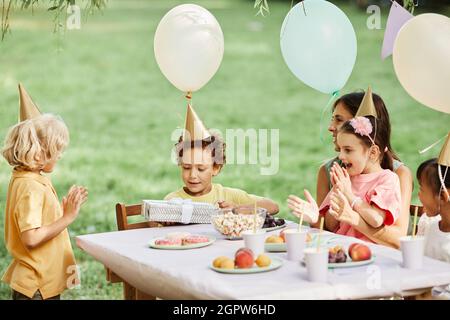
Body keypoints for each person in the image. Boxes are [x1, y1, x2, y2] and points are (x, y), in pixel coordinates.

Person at [288, 88, 411, 248]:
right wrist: (315, 218)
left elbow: (397, 239)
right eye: (332, 119)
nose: (331, 127)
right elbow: (326, 228)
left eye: (339, 120)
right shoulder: (331, 171)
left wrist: (353, 216)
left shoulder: (396, 175)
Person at [1, 84, 88, 300]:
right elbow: (30, 237)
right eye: (57, 151)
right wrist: (67, 217)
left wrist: (60, 210)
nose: (59, 156)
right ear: (39, 154)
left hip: (40, 280)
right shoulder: (30, 187)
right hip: (36, 286)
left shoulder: (26, 177)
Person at [165, 104, 279, 214]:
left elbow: (272, 206)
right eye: (186, 167)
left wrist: (238, 208)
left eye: (201, 168)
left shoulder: (226, 196)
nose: (192, 175)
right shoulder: (173, 200)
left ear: (216, 168)